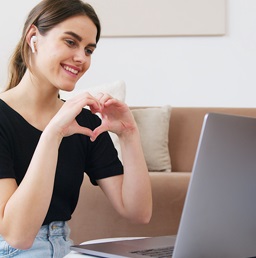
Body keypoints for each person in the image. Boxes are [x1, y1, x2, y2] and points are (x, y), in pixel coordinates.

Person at [0, 0, 152, 257]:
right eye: (71, 42)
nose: (81, 58)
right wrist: (53, 133)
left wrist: (129, 134)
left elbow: (138, 212)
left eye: (89, 49)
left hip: (64, 249)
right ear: (33, 38)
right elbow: (18, 235)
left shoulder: (84, 122)